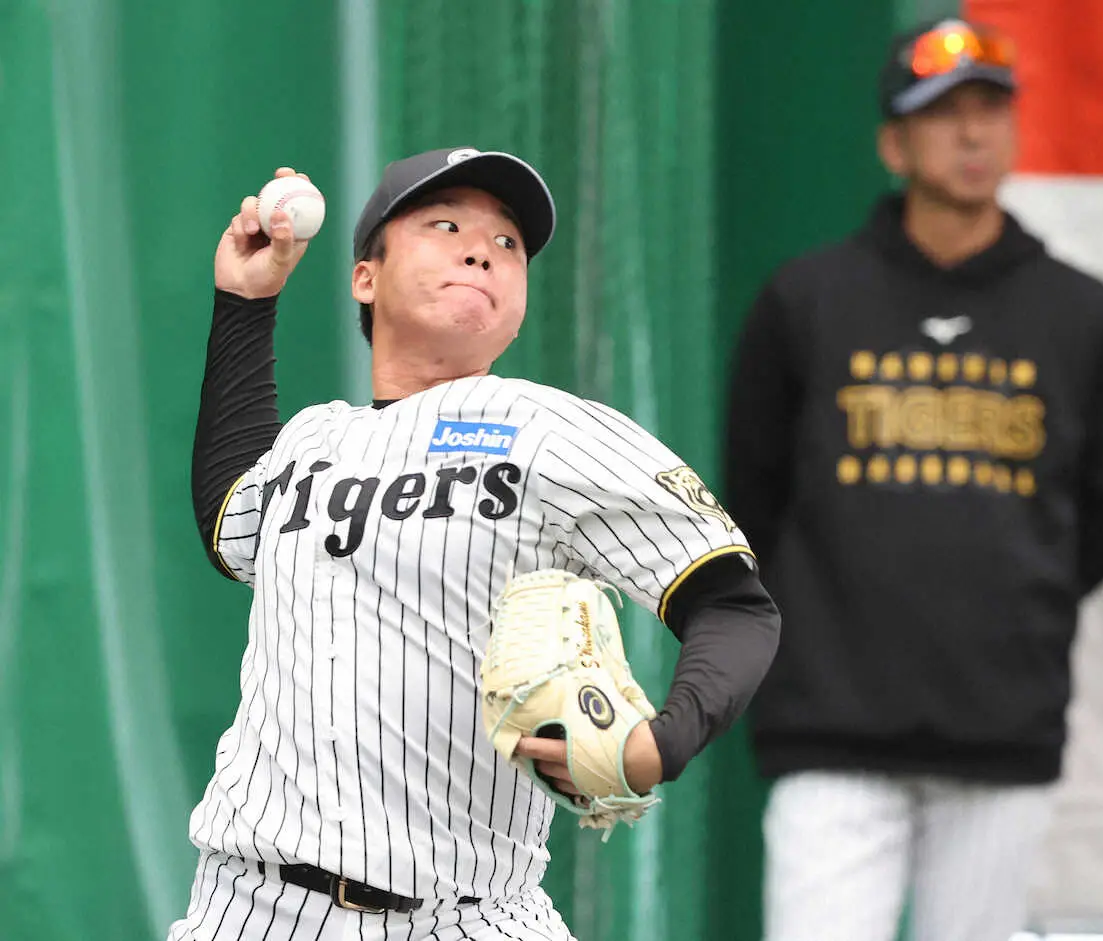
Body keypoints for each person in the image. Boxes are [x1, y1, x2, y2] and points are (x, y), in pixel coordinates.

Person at [171, 146, 780, 941]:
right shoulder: (313, 438)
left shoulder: (551, 430)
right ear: (365, 277)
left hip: (465, 916)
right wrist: (245, 305)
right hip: (249, 906)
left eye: (507, 246)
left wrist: (665, 740)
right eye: (445, 224)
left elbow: (734, 602)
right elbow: (230, 524)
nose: (479, 250)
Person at [724, 19, 1103, 941]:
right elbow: (751, 496)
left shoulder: (1080, 313)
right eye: (942, 114)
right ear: (892, 143)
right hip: (832, 730)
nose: (971, 134)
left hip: (1000, 729)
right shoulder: (806, 300)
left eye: (990, 109)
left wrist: (1009, 607)